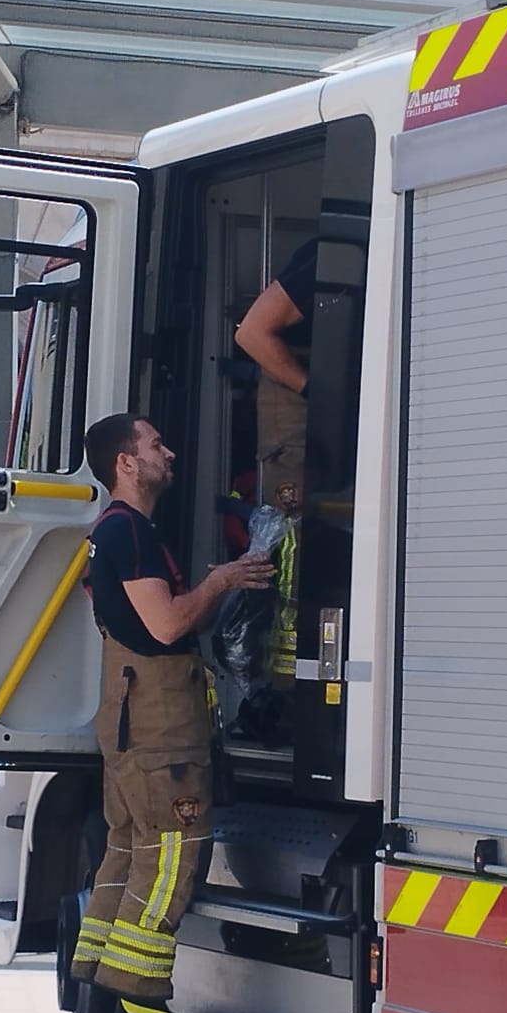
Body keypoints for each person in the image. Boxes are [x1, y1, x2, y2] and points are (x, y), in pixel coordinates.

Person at [69, 414, 271, 1013]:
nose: (170, 450)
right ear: (126, 463)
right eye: (156, 444)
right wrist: (222, 581)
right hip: (159, 727)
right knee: (171, 857)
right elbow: (163, 625)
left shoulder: (112, 532)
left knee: (125, 855)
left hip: (131, 721)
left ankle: (97, 1003)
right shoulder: (128, 531)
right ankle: (135, 1007)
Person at [233, 239, 319, 701]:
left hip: (312, 437)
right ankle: (288, 694)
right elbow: (251, 333)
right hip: (295, 437)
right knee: (297, 564)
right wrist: (320, 394)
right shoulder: (327, 257)